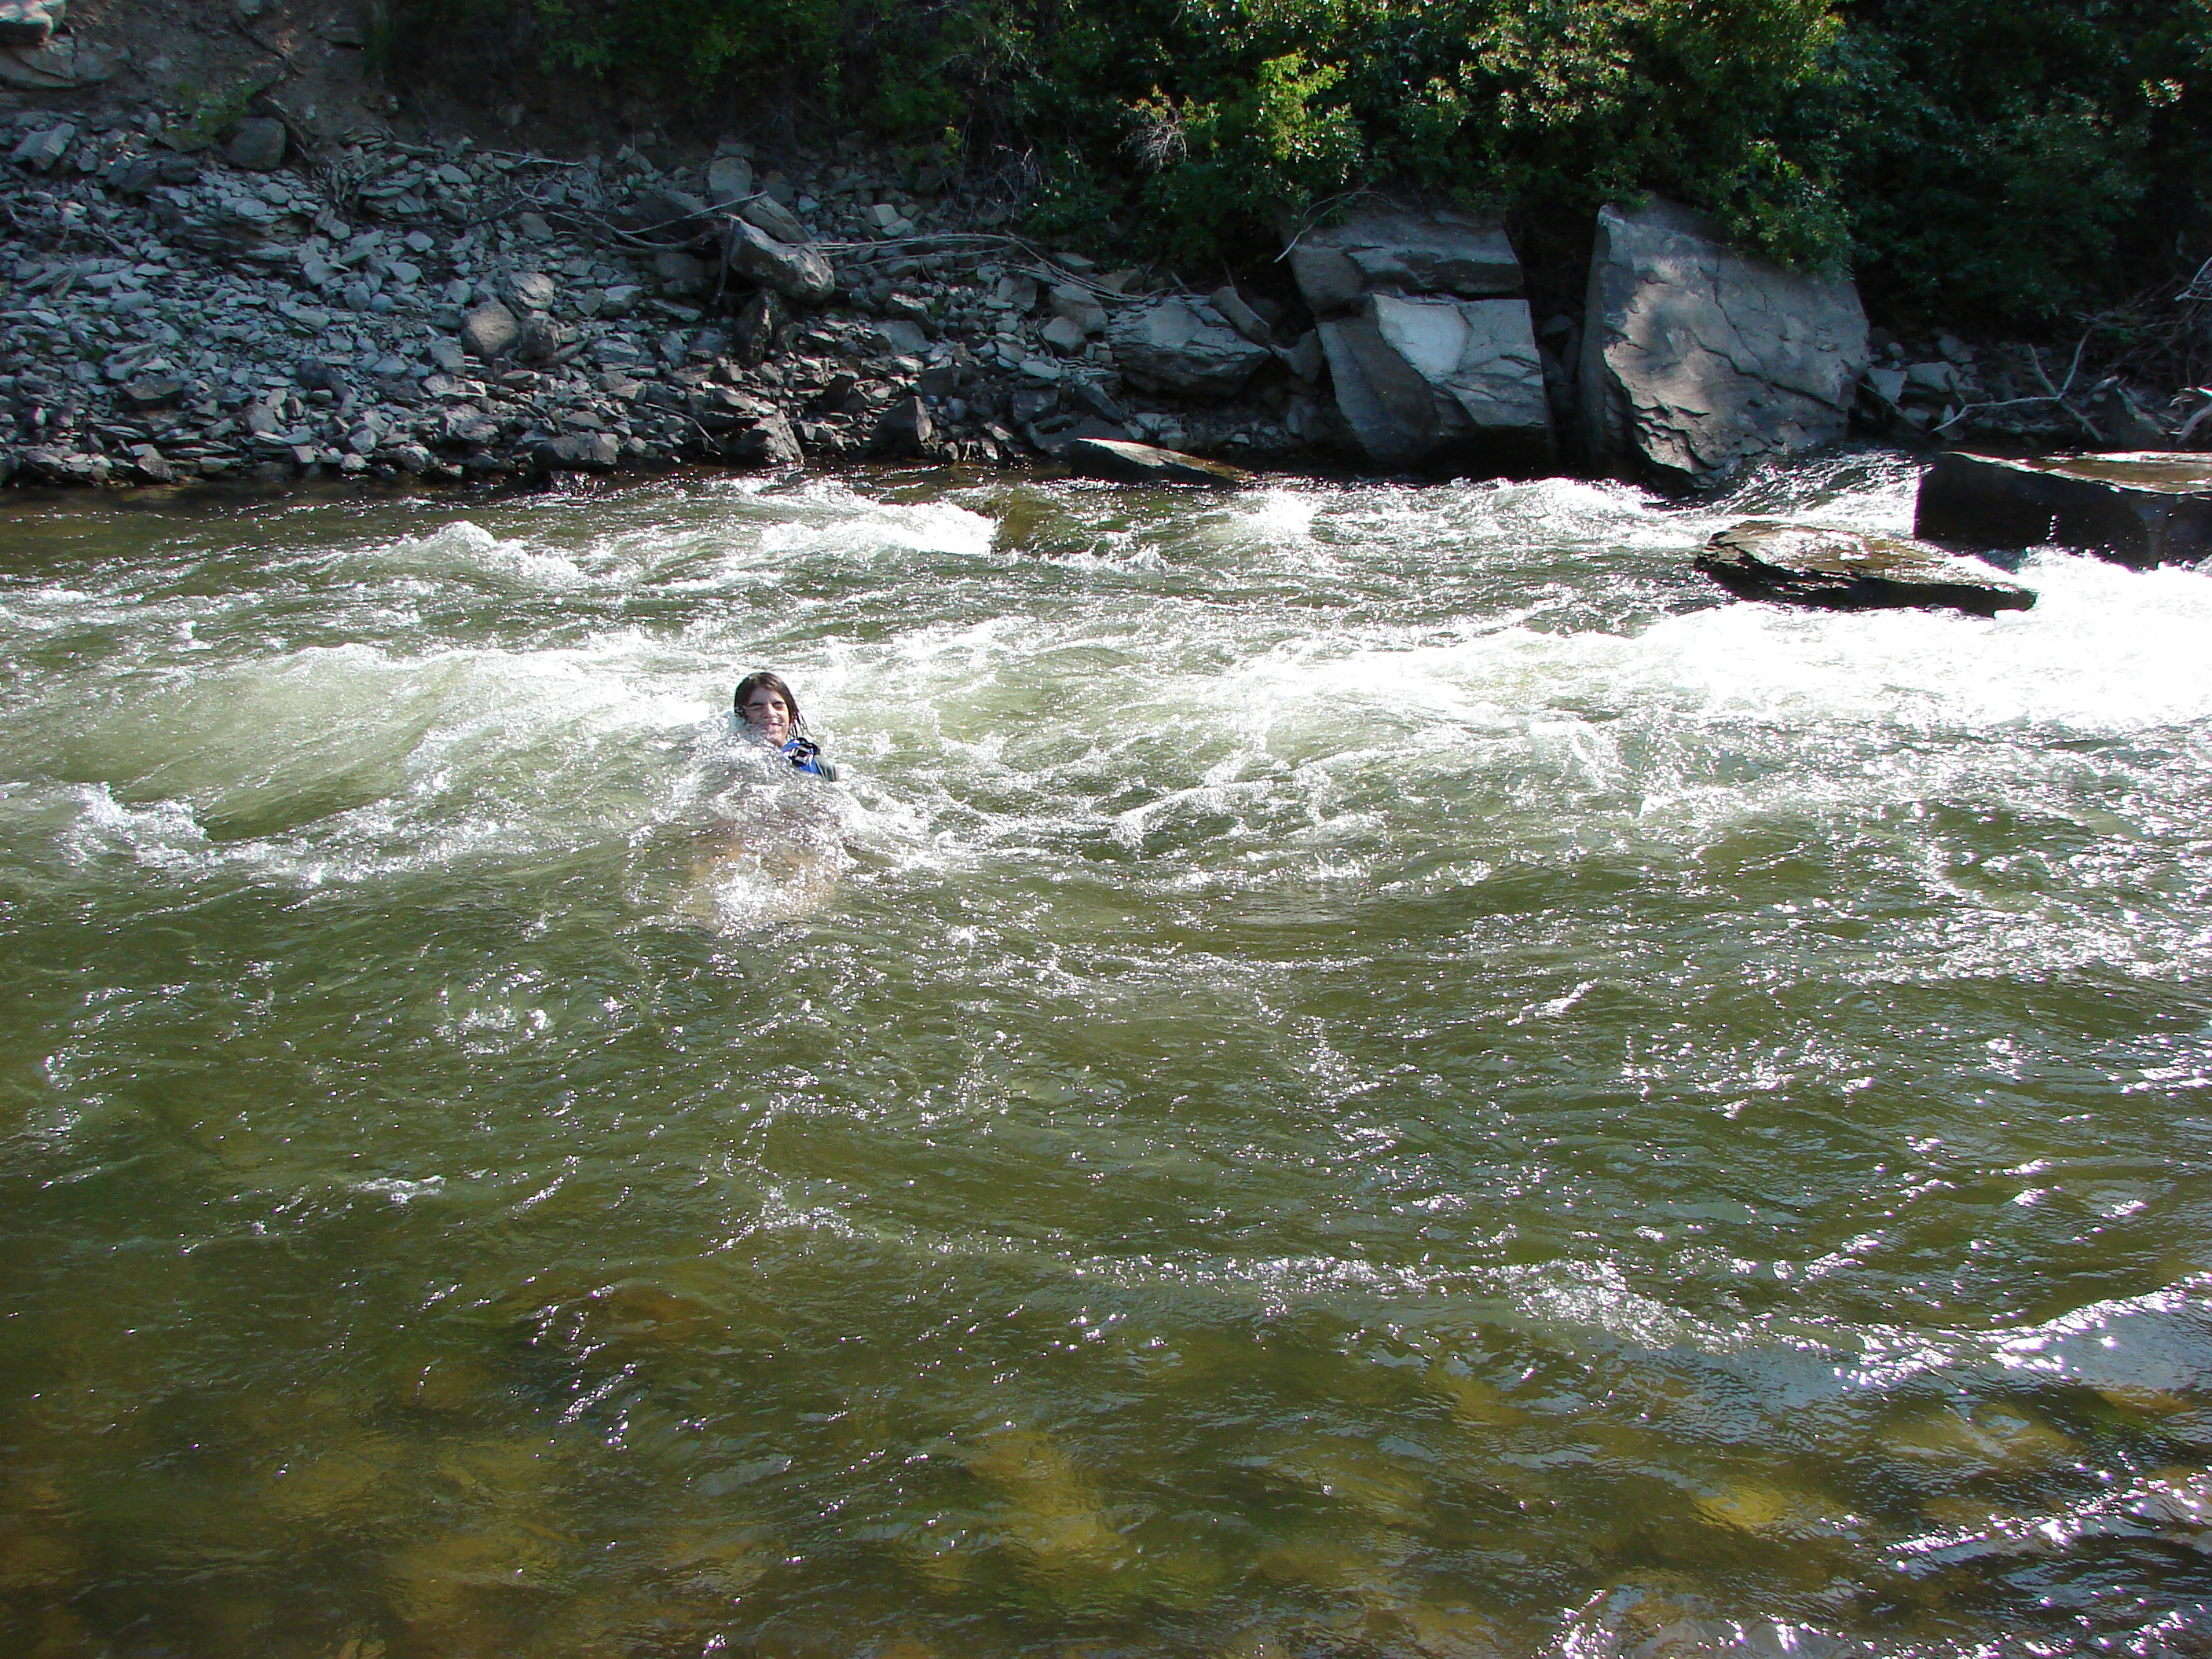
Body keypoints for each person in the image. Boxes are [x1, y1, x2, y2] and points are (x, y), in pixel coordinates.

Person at [732, 671, 838, 780]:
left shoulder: (820, 767)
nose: (770, 713)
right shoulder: (729, 767)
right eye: (757, 708)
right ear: (741, 718)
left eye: (778, 706)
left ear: (791, 717)